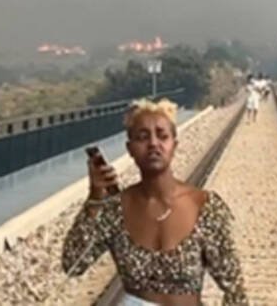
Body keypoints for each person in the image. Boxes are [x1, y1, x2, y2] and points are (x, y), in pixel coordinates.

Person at [61, 99, 247, 305]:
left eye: (162, 136)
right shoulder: (115, 209)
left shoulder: (205, 207)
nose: (153, 144)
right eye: (142, 137)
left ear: (174, 145)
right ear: (130, 148)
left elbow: (234, 286)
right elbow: (73, 264)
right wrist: (95, 197)